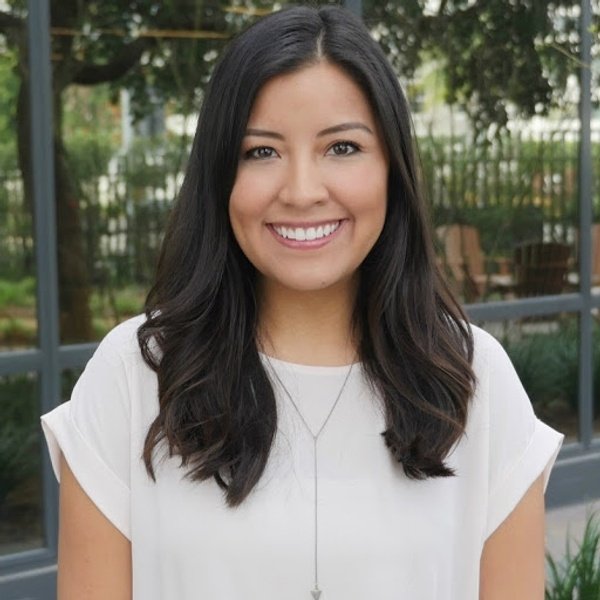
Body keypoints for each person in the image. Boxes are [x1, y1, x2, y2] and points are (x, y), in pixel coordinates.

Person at [41, 5, 564, 600]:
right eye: (261, 151)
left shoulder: (475, 380)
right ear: (220, 174)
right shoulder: (135, 377)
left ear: (392, 167)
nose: (302, 191)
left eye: (342, 147)